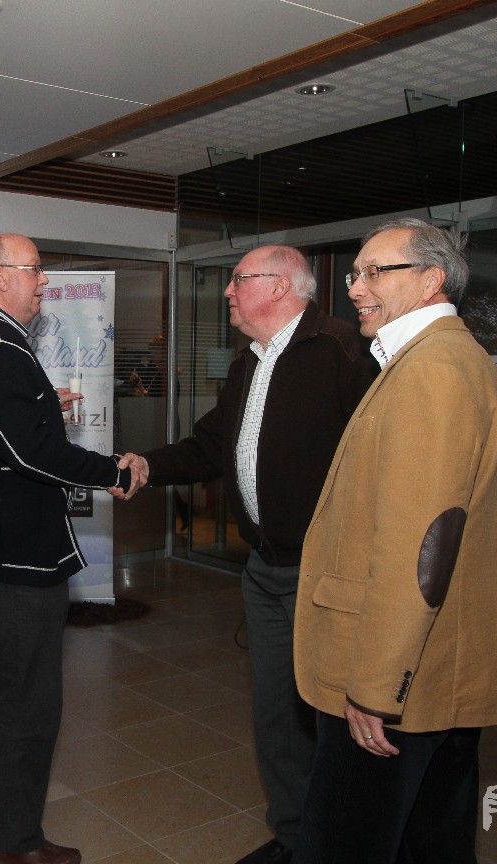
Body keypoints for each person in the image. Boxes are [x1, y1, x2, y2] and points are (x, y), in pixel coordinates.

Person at [116, 245, 376, 864]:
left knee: (340, 720)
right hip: (264, 570)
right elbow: (211, 445)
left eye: (238, 280)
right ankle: (294, 838)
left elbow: (383, 463)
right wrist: (148, 465)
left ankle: (341, 845)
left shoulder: (344, 352)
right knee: (277, 715)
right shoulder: (248, 363)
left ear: (281, 287)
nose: (228, 291)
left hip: (327, 574)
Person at [292, 218, 497, 863]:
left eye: (375, 271)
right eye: (354, 273)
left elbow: (421, 544)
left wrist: (375, 685)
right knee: (433, 843)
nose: (355, 288)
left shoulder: (432, 372)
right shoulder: (441, 359)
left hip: (398, 683)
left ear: (431, 280)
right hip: (439, 670)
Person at [0, 234, 132, 864]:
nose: (44, 281)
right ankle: (13, 841)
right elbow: (30, 454)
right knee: (28, 704)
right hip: (17, 554)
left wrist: (44, 403)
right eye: (36, 270)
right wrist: (112, 471)